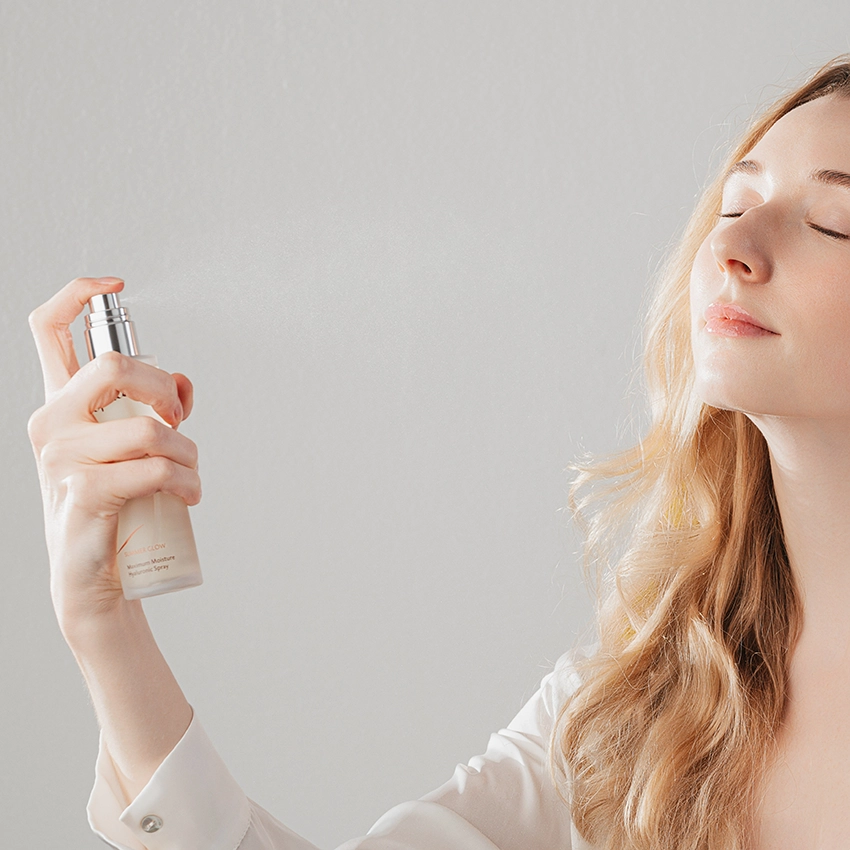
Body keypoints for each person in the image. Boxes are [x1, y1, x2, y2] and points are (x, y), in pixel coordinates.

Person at [27, 53, 850, 850]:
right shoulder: (646, 709)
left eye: (832, 221)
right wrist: (106, 629)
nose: (734, 248)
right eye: (734, 205)